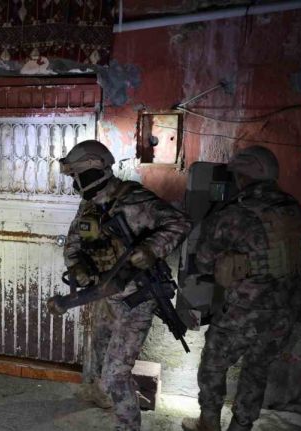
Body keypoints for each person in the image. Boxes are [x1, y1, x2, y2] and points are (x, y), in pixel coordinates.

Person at [60, 140, 191, 431]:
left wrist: (152, 249)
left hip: (136, 300)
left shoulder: (135, 199)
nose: (74, 182)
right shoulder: (90, 204)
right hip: (106, 295)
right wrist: (77, 267)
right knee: (100, 359)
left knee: (116, 375)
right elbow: (74, 243)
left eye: (76, 175)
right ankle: (104, 395)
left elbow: (180, 223)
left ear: (92, 170)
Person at [181, 146, 301, 431]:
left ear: (242, 176)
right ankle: (241, 426)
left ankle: (208, 423)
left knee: (213, 365)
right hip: (287, 312)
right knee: (257, 369)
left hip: (245, 313)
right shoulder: (296, 210)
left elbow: (203, 261)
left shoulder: (236, 213)